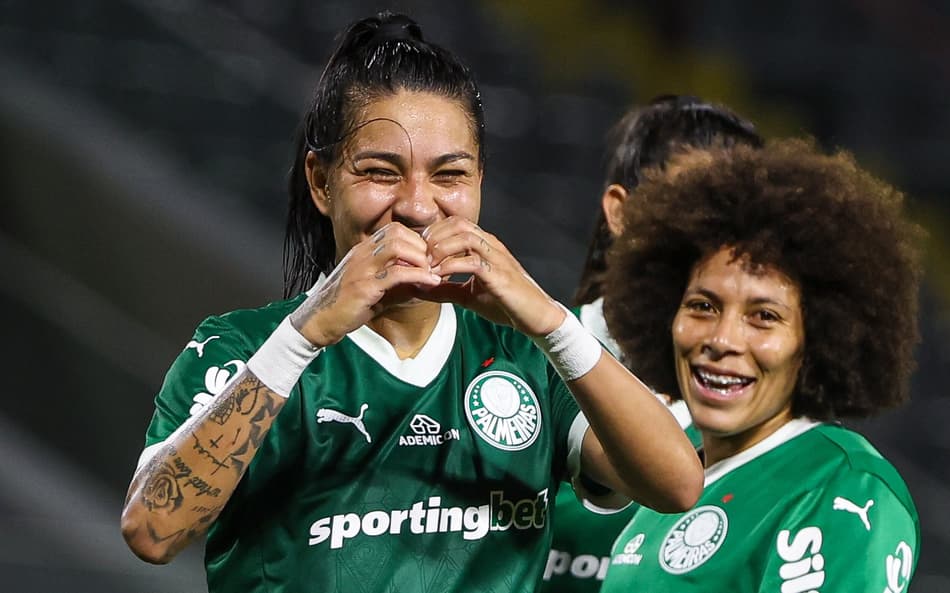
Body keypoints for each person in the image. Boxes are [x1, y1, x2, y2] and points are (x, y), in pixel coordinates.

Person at [119, 11, 703, 593]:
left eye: (450, 175)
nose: (418, 205)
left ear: (479, 182)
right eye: (380, 172)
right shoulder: (247, 349)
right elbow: (152, 532)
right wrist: (301, 337)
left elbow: (677, 486)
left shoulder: (525, 357)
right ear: (321, 182)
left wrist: (551, 323)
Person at [599, 138, 922, 592]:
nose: (722, 340)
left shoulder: (842, 486)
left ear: (817, 342)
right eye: (703, 306)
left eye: (764, 317)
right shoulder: (666, 475)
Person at [542, 95, 762, 593]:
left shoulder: (771, 412)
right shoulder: (522, 364)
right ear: (620, 212)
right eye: (695, 208)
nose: (719, 243)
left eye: (742, 221)